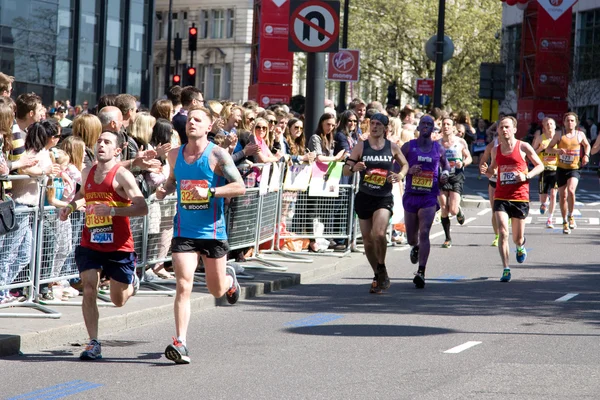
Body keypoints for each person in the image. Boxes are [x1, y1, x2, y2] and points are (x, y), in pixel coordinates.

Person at [155, 105, 246, 364]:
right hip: (185, 230)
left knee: (216, 291)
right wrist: (165, 189)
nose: (191, 123)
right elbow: (173, 179)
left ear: (209, 127)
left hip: (213, 231)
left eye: (198, 120)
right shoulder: (174, 155)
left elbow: (239, 186)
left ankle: (229, 280)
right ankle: (180, 342)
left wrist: (211, 192)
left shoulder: (217, 155)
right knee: (184, 285)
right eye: (189, 120)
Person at [59, 130, 149, 360]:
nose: (101, 145)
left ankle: (131, 284)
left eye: (107, 142)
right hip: (91, 242)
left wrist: (112, 210)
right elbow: (82, 195)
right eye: (99, 141)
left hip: (119, 246)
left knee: (118, 300)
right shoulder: (88, 171)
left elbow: (142, 207)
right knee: (89, 287)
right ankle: (93, 343)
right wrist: (70, 207)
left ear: (117, 150)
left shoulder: (123, 176)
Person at [343, 113, 408, 293]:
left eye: (379, 124)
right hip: (364, 196)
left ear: (385, 128)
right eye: (372, 123)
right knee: (367, 240)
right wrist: (353, 168)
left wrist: (400, 175)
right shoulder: (361, 147)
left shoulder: (392, 147)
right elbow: (346, 170)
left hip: (383, 197)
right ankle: (379, 273)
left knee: (379, 234)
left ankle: (381, 267)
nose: (374, 126)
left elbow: (405, 164)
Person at [484, 116, 544, 282]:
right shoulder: (496, 150)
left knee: (517, 237)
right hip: (501, 195)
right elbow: (492, 170)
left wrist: (526, 175)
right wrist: (486, 171)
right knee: (503, 231)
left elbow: (540, 165)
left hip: (519, 197)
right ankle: (506, 268)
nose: (504, 130)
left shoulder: (523, 146)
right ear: (498, 130)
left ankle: (520, 246)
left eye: (507, 127)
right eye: (501, 127)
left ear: (515, 129)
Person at [401, 115, 450, 288]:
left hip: (429, 196)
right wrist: (408, 171)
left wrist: (444, 175)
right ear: (419, 126)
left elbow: (447, 167)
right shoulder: (408, 147)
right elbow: (396, 168)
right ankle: (414, 247)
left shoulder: (438, 149)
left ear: (433, 129)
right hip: (411, 195)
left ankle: (421, 271)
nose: (426, 126)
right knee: (411, 238)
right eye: (424, 123)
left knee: (425, 232)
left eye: (430, 124)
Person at [544, 112, 591, 234]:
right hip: (561, 169)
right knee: (563, 196)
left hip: (574, 168)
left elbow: (587, 145)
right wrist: (558, 150)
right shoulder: (559, 135)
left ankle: (571, 216)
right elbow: (548, 148)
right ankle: (564, 221)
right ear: (564, 123)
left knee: (571, 190)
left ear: (576, 123)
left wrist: (586, 155)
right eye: (567, 121)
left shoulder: (580, 134)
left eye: (572, 121)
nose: (569, 123)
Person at [438, 117, 472, 248]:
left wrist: (462, 163)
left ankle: (458, 211)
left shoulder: (460, 142)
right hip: (441, 176)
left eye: (448, 124)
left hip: (456, 176)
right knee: (443, 208)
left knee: (452, 210)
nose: (445, 126)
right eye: (443, 124)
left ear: (453, 128)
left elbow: (469, 157)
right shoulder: (437, 143)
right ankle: (447, 238)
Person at [531, 117, 558, 228]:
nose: (549, 126)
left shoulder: (559, 138)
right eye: (547, 124)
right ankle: (543, 204)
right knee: (544, 196)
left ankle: (550, 219)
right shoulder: (540, 138)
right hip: (543, 170)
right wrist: (540, 149)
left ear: (555, 126)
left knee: (553, 194)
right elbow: (531, 153)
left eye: (551, 123)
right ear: (544, 126)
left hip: (556, 169)